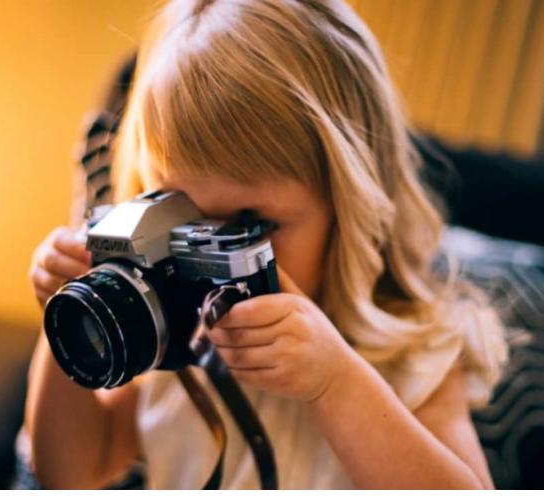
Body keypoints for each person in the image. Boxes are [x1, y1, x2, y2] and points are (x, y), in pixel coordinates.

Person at [25, 0, 508, 489]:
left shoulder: (408, 352)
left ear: (349, 209)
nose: (206, 259)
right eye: (179, 210)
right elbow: (72, 475)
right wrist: (70, 316)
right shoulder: (171, 340)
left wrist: (338, 384)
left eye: (250, 223)